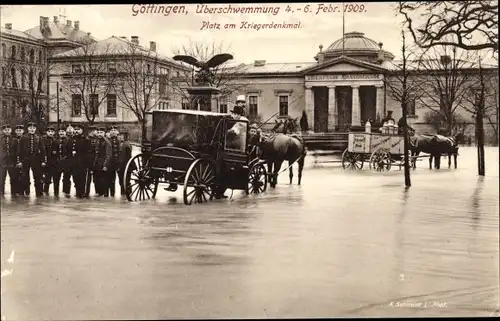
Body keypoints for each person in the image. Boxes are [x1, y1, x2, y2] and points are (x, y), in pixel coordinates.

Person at [18, 122, 47, 197]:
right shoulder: (23, 137)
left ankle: (39, 192)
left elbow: (43, 150)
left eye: (33, 128)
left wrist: (43, 160)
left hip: (36, 159)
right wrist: (20, 161)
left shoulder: (38, 137)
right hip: (25, 159)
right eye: (30, 128)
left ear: (35, 129)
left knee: (37, 176)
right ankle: (26, 191)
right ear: (27, 129)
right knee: (25, 176)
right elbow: (19, 150)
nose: (32, 129)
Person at [65, 124, 90, 198]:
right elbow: (67, 151)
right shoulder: (71, 140)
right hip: (73, 163)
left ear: (82, 131)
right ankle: (78, 192)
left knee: (82, 178)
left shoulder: (85, 140)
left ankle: (82, 193)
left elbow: (88, 152)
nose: (76, 131)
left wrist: (87, 163)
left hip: (82, 163)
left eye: (78, 130)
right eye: (75, 130)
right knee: (75, 178)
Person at [92, 127, 112, 197]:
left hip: (102, 162)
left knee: (103, 179)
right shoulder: (96, 141)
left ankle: (104, 193)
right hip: (96, 163)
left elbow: (108, 155)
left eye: (101, 132)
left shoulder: (107, 142)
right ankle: (98, 192)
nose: (99, 134)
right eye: (98, 132)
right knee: (96, 178)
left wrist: (105, 165)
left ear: (105, 133)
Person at [1, 124, 19, 197]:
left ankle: (13, 193)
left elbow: (17, 151)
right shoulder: (0, 139)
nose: (7, 131)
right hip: (2, 162)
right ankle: (1, 192)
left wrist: (17, 161)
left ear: (11, 130)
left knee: (13, 178)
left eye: (8, 129)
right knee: (2, 178)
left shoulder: (14, 139)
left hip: (12, 161)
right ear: (3, 131)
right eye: (5, 130)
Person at [42, 126, 60, 195]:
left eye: (52, 132)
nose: (50, 133)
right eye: (49, 132)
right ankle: (45, 193)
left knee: (56, 180)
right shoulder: (43, 141)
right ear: (46, 132)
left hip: (55, 164)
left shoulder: (56, 141)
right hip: (47, 163)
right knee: (47, 180)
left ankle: (56, 194)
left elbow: (58, 152)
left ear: (54, 133)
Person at [106, 125, 121, 197]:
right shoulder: (107, 140)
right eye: (111, 131)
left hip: (118, 162)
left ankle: (119, 193)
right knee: (109, 178)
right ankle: (109, 194)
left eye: (114, 130)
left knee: (119, 179)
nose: (113, 132)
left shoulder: (119, 140)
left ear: (117, 132)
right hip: (110, 163)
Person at [54, 128, 68, 197]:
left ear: (65, 132)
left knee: (66, 179)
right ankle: (56, 194)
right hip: (57, 162)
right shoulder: (55, 141)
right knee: (56, 179)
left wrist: (65, 158)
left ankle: (66, 193)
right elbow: (53, 151)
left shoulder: (68, 141)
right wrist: (56, 159)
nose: (61, 133)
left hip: (66, 163)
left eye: (63, 131)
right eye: (60, 131)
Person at [118, 130, 132, 196]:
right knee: (121, 180)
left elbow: (128, 156)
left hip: (126, 164)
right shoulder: (119, 144)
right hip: (120, 164)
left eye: (122, 136)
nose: (120, 137)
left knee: (126, 179)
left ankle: (127, 192)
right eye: (119, 135)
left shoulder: (127, 144)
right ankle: (123, 192)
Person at [85, 126, 98, 197]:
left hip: (96, 161)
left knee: (96, 179)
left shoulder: (97, 139)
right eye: (95, 131)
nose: (96, 132)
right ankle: (86, 192)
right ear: (92, 132)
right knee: (88, 178)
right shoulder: (87, 140)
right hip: (89, 161)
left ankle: (98, 192)